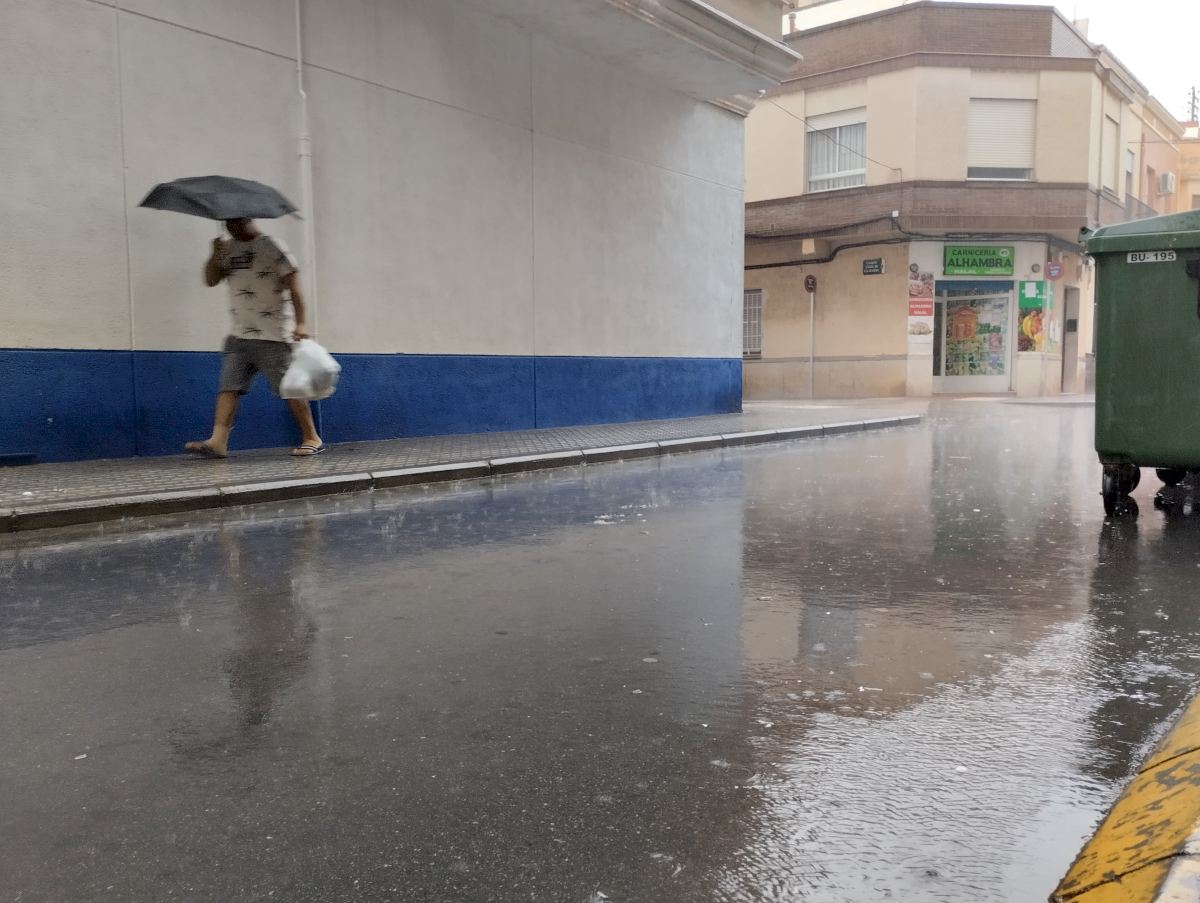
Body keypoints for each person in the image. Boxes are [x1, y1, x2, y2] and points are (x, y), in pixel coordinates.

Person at [185, 218, 324, 458]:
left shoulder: (272, 246)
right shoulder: (227, 249)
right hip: (239, 335)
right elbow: (211, 280)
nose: (231, 228)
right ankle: (218, 441)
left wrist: (301, 323)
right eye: (228, 224)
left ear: (248, 220)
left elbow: (294, 286)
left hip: (273, 334)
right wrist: (214, 255)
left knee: (289, 388)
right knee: (229, 387)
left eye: (236, 223)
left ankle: (312, 437)